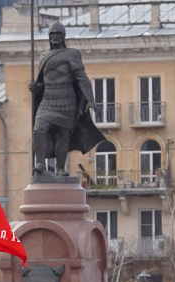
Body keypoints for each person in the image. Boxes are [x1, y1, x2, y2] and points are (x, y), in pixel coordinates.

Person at [28, 20, 104, 177]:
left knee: (62, 135)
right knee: (38, 130)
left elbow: (81, 77)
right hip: (47, 99)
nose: (55, 36)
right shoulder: (43, 56)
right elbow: (44, 81)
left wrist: (90, 99)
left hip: (66, 99)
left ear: (63, 36)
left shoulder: (72, 54)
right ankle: (41, 163)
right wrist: (37, 88)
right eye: (52, 34)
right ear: (49, 37)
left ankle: (60, 168)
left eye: (58, 34)